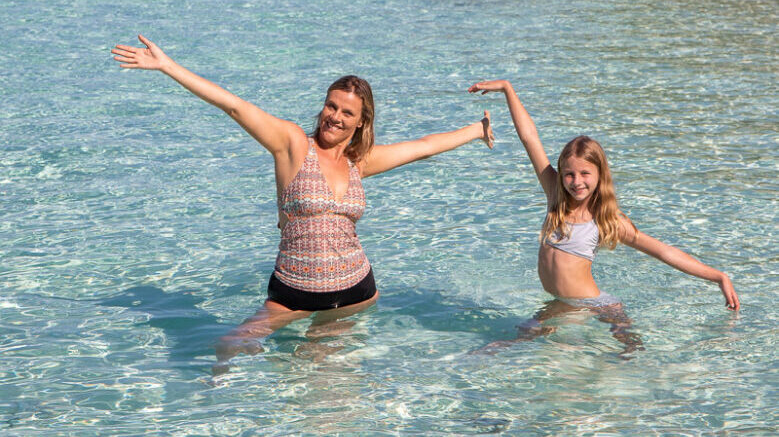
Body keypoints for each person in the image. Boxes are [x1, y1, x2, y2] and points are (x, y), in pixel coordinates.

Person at [110, 35, 494, 368]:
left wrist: (476, 131)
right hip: (294, 294)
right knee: (231, 344)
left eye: (347, 112)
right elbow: (236, 107)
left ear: (361, 121)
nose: (335, 117)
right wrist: (168, 67)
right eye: (331, 106)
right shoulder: (292, 144)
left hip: (354, 293)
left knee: (326, 387)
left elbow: (422, 148)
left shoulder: (359, 161)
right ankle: (217, 405)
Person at [467, 79, 739, 352]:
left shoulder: (606, 220)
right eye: (569, 174)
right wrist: (507, 89)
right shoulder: (555, 196)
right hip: (562, 303)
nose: (576, 181)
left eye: (585, 174)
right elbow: (529, 137)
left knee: (630, 354)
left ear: (600, 175)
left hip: (594, 305)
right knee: (507, 345)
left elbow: (663, 252)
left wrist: (717, 276)